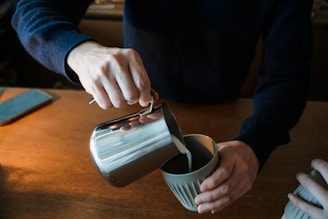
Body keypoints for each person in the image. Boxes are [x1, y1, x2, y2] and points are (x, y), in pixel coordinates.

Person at [11, 0, 313, 214]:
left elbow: (288, 77)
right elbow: (30, 10)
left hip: (226, 106)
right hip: (134, 110)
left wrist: (254, 146)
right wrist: (79, 52)